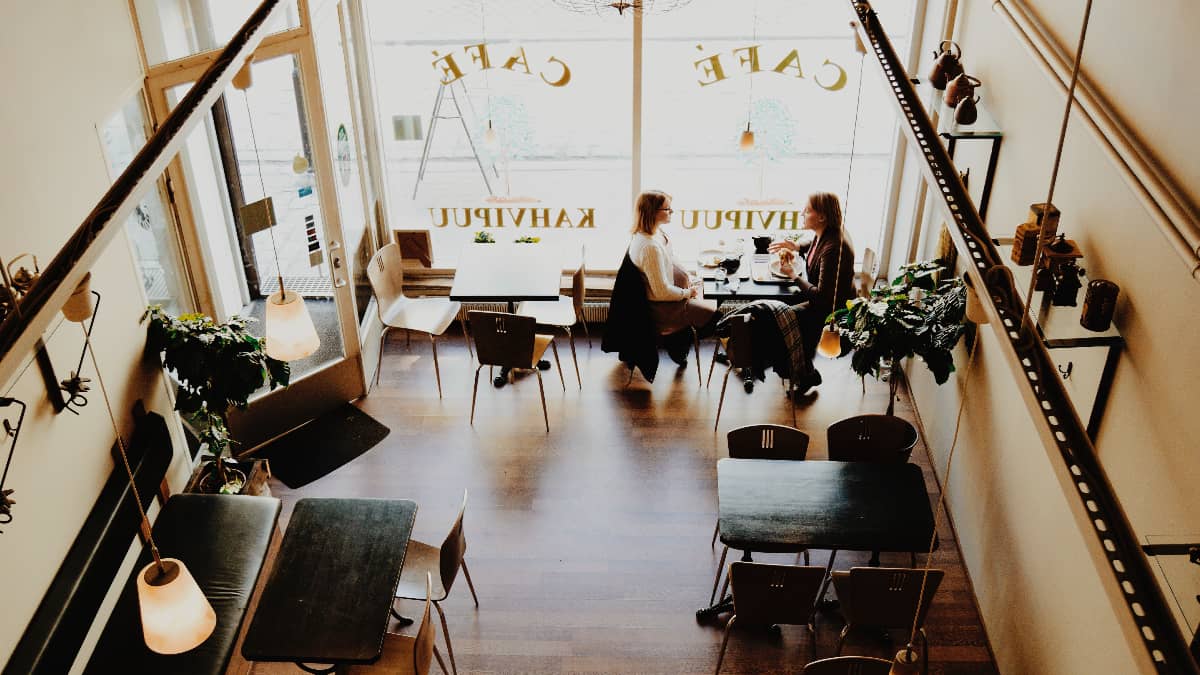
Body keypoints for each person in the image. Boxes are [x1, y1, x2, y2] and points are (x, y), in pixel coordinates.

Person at [628, 190, 718, 365]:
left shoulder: (656, 233)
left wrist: (688, 277)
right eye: (667, 209)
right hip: (667, 308)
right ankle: (677, 343)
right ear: (652, 212)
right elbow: (660, 292)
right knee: (717, 321)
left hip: (678, 296)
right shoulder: (649, 247)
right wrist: (687, 292)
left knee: (715, 304)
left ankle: (678, 345)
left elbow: (669, 261)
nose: (672, 212)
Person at [769, 191, 856, 361]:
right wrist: (796, 245)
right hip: (822, 300)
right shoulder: (829, 231)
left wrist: (793, 274)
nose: (802, 213)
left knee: (777, 320)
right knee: (776, 305)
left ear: (822, 217)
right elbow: (815, 243)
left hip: (831, 312)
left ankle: (802, 371)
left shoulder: (834, 248)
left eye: (807, 211)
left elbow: (822, 297)